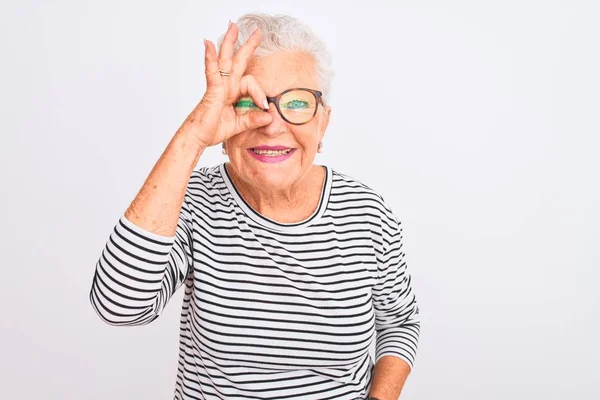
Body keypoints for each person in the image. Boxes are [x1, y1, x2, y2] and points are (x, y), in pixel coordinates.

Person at [89, 12, 420, 400]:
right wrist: (194, 135)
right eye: (250, 101)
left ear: (323, 123)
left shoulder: (367, 212)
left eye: (297, 103)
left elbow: (399, 323)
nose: (272, 125)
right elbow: (119, 307)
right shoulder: (191, 202)